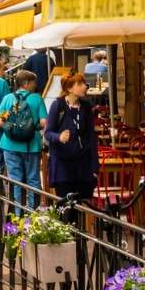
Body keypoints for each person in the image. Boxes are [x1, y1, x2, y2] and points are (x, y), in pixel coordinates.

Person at [45, 72, 99, 209]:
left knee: (82, 206)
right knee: (65, 207)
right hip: (62, 165)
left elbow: (91, 137)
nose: (84, 86)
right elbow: (48, 133)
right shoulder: (58, 106)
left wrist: (94, 167)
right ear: (70, 89)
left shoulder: (86, 107)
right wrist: (59, 137)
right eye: (80, 84)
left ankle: (79, 231)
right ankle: (67, 230)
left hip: (83, 165)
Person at [0, 69, 49, 212]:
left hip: (9, 144)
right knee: (33, 178)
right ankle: (33, 212)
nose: (35, 85)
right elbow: (44, 122)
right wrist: (34, 126)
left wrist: (12, 128)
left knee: (15, 179)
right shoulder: (36, 99)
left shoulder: (8, 98)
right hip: (31, 145)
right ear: (26, 83)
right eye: (33, 82)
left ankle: (17, 212)